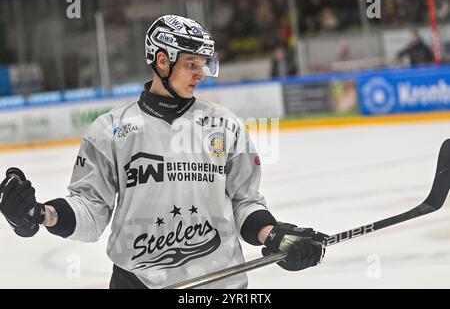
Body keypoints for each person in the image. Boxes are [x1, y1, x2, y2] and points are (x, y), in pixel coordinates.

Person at [0, 15, 327, 289]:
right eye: (191, 64)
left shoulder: (225, 125)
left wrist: (274, 236)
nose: (201, 73)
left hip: (219, 283)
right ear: (161, 60)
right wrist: (41, 214)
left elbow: (246, 201)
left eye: (203, 64)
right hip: (137, 281)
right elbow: (91, 209)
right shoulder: (110, 130)